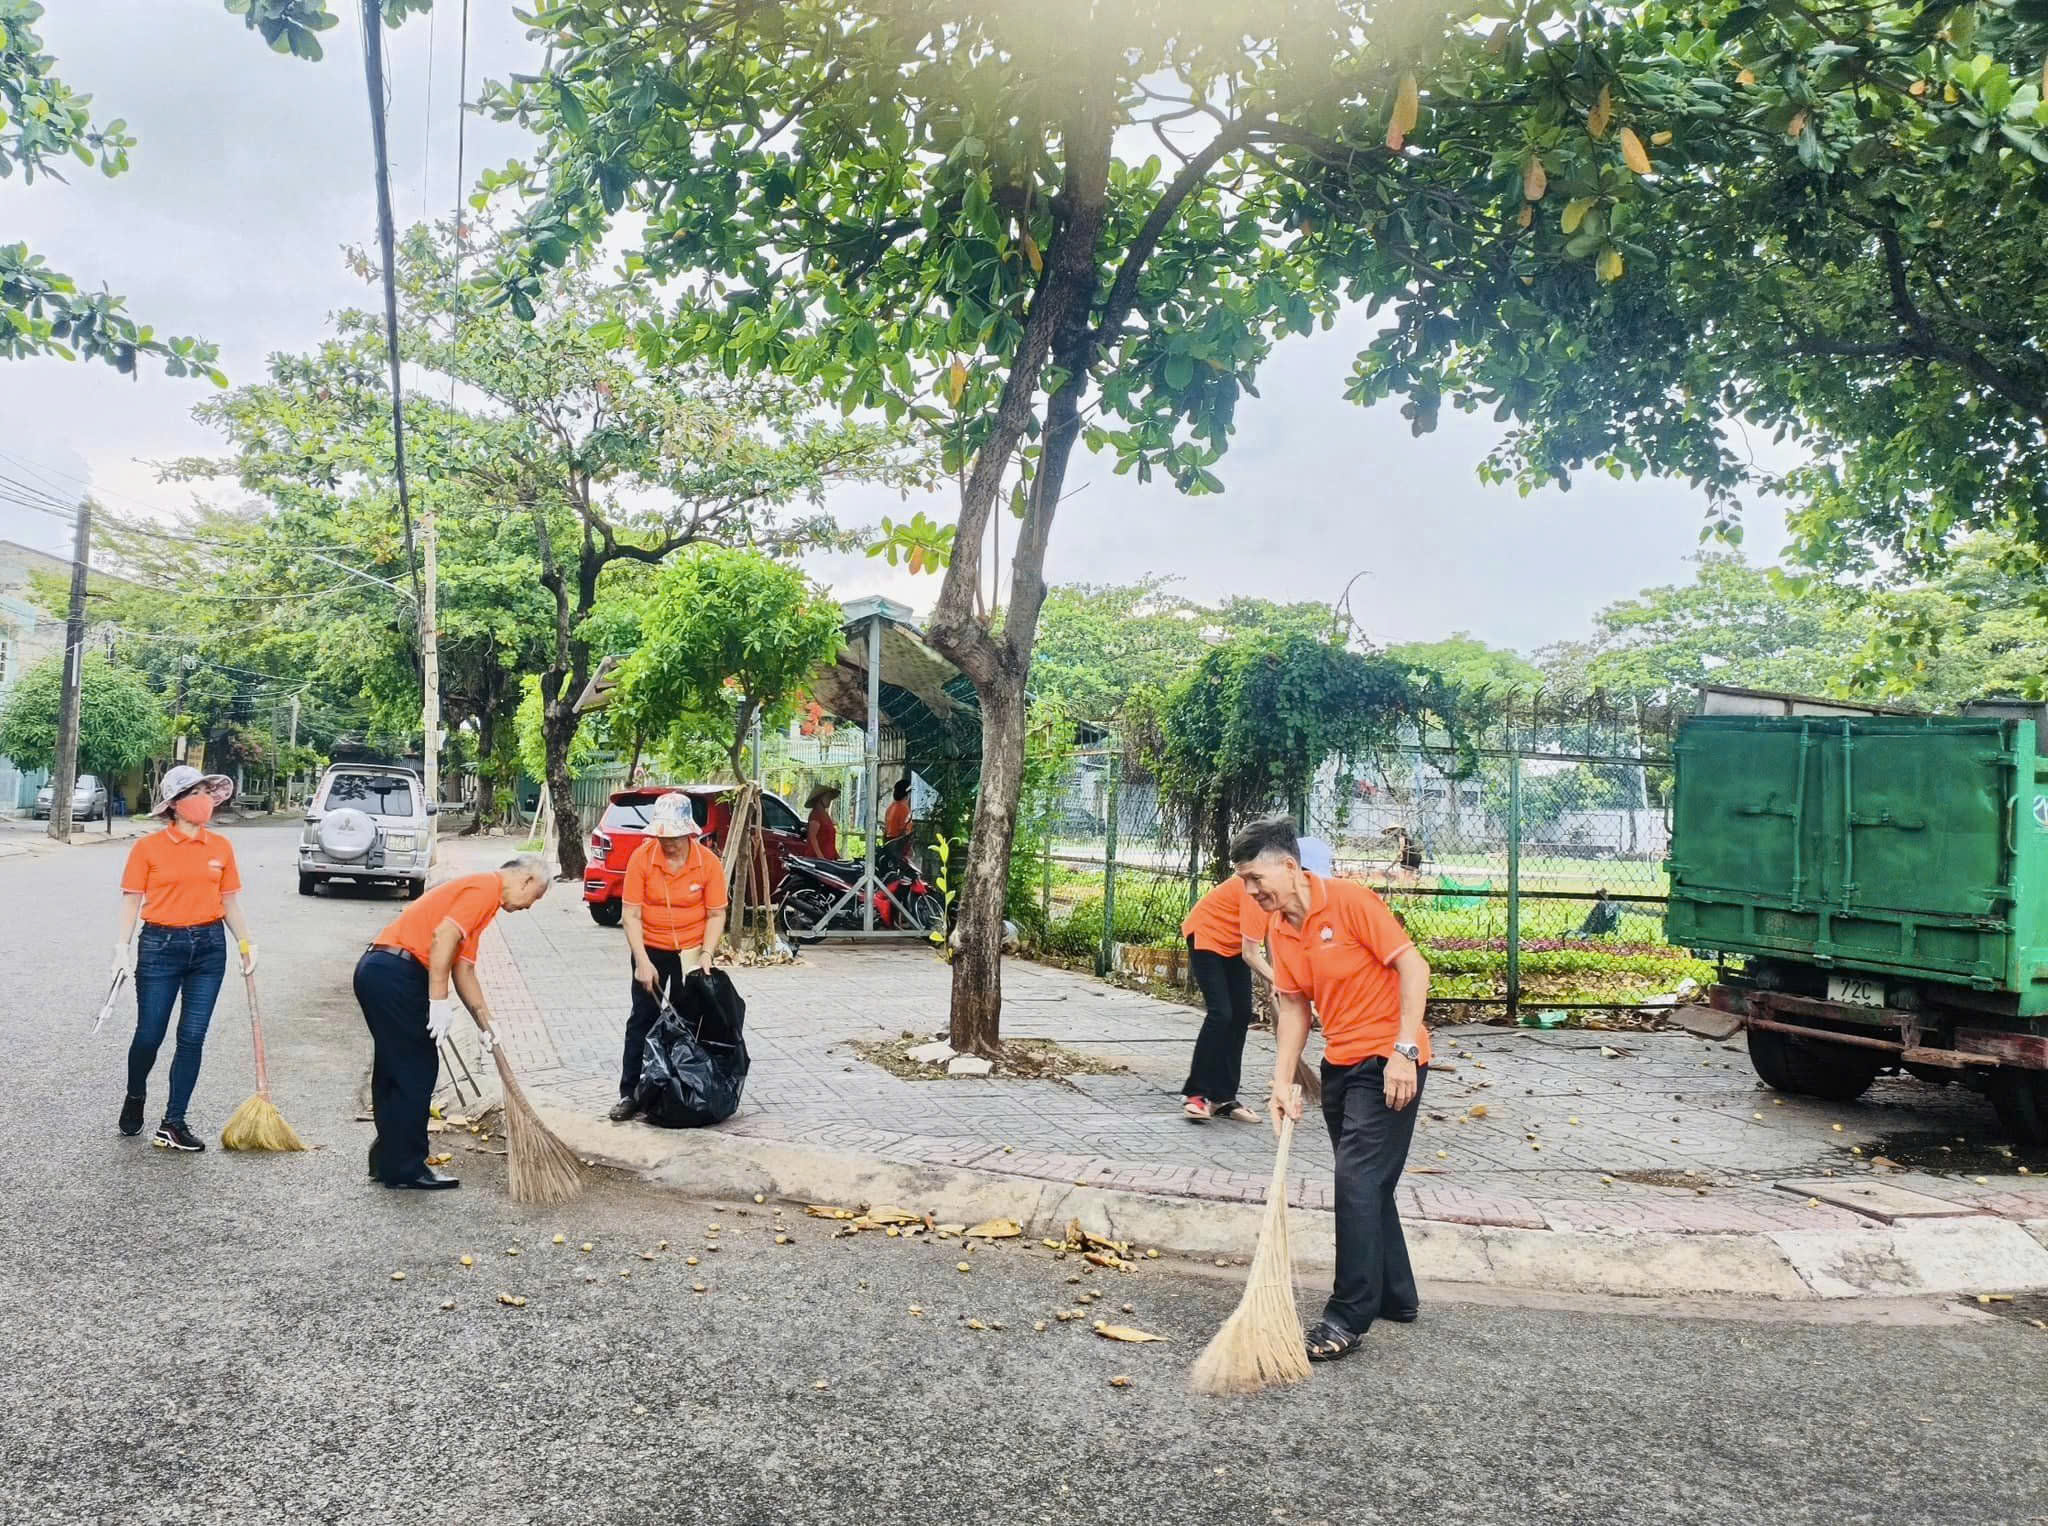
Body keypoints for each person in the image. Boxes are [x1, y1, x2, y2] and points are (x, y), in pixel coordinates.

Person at [1235, 816, 1432, 1364]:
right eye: (1244, 882)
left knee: (1355, 1180)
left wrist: (1405, 1050)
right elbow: (1294, 1004)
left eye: (1255, 879)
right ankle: (1397, 1295)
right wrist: (1282, 1079)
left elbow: (1415, 968)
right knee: (1369, 1181)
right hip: (1341, 1063)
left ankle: (1347, 1316)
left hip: (1388, 1059)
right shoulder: (1281, 929)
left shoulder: (1350, 902)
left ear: (1289, 866)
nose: (1250, 892)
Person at [354, 856, 550, 1189]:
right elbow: (443, 938)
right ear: (526, 880)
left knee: (394, 1068)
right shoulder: (485, 888)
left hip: (380, 970)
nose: (530, 907)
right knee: (417, 1069)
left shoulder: (483, 902)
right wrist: (438, 1001)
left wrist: (486, 1024)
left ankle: (388, 1158)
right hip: (396, 973)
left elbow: (464, 969)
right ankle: (407, 1168)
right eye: (536, 897)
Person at [113, 765, 257, 1152]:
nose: (205, 800)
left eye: (208, 792)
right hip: (160, 946)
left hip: (210, 947)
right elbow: (132, 899)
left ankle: (173, 1122)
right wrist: (121, 949)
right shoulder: (148, 849)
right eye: (195, 793)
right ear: (174, 805)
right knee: (150, 1034)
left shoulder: (221, 848)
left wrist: (246, 944)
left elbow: (229, 901)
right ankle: (136, 1093)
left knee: (192, 1037)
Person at [610, 793, 729, 1122]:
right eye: (663, 836)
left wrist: (706, 953)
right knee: (642, 1018)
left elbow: (716, 914)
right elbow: (631, 915)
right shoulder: (642, 860)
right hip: (651, 948)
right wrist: (642, 961)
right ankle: (629, 1093)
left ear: (689, 833)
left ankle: (682, 1090)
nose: (669, 843)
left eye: (675, 837)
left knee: (687, 1021)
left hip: (691, 951)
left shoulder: (708, 864)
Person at [1178, 870, 1270, 1123]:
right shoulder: (1257, 890)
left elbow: (1270, 942)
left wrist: (1274, 985)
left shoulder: (1284, 897)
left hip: (1234, 945)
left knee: (1241, 1014)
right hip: (1207, 935)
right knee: (1221, 1013)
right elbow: (1252, 955)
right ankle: (1196, 1094)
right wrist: (1280, 982)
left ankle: (1224, 1099)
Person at [804, 784, 841, 861]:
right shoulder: (815, 814)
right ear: (820, 798)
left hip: (829, 859)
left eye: (830, 798)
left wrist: (836, 855)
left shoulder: (826, 815)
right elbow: (812, 837)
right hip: (818, 861)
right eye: (828, 797)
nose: (830, 800)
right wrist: (820, 857)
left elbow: (829, 840)